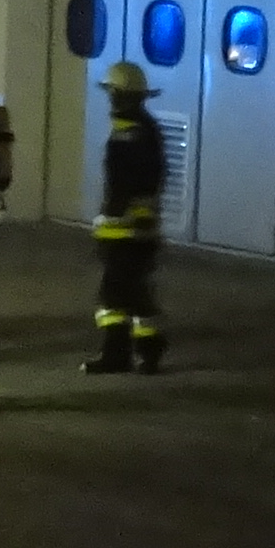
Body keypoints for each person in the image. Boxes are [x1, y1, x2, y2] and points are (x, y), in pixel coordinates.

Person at [86, 58, 171, 373]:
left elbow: (124, 183)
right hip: (138, 228)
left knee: (115, 295)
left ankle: (123, 353)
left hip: (125, 230)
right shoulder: (145, 129)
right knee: (132, 291)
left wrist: (109, 216)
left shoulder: (128, 134)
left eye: (113, 93)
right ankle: (142, 351)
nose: (110, 99)